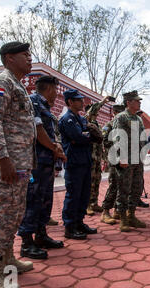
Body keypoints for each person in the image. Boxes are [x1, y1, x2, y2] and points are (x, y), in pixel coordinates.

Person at [0, 41, 35, 288]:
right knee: (4, 215)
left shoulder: (17, 85)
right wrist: (3, 159)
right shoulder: (1, 82)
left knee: (16, 213)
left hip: (20, 162)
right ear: (9, 58)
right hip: (7, 163)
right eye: (25, 55)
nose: (30, 59)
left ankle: (7, 260)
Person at [17, 76, 66, 260]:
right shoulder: (33, 101)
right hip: (35, 162)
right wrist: (54, 147)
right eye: (55, 89)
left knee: (44, 200)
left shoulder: (45, 106)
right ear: (49, 89)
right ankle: (26, 243)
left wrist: (55, 148)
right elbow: (38, 131)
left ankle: (41, 236)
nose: (57, 94)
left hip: (45, 162)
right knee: (33, 199)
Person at [59, 89, 101, 239]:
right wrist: (86, 136)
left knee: (84, 194)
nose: (82, 102)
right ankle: (70, 227)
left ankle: (79, 222)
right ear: (70, 102)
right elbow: (77, 136)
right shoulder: (67, 119)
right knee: (73, 195)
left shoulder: (81, 119)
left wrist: (85, 135)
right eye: (78, 100)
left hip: (85, 161)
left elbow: (91, 136)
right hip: (74, 162)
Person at [112, 90, 147, 232]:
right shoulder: (121, 117)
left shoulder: (138, 119)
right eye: (137, 100)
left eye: (139, 101)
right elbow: (117, 138)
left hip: (137, 159)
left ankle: (131, 215)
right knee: (124, 189)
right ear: (128, 102)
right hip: (126, 159)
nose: (139, 102)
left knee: (137, 188)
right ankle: (123, 218)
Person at [85, 96, 112, 216]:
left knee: (96, 180)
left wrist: (104, 158)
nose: (97, 114)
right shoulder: (87, 120)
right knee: (89, 181)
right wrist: (103, 102)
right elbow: (94, 109)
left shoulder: (96, 124)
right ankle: (86, 205)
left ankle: (94, 203)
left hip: (97, 157)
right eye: (95, 112)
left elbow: (101, 142)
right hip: (89, 157)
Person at [100, 104, 126, 224]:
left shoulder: (123, 125)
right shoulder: (109, 126)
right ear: (115, 113)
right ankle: (105, 212)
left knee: (122, 185)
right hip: (114, 159)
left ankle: (117, 210)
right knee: (114, 184)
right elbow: (105, 142)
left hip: (124, 159)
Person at [135, 109, 150, 208]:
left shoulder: (140, 126)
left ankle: (137, 199)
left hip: (139, 156)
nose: (140, 116)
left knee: (139, 179)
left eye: (140, 115)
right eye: (138, 114)